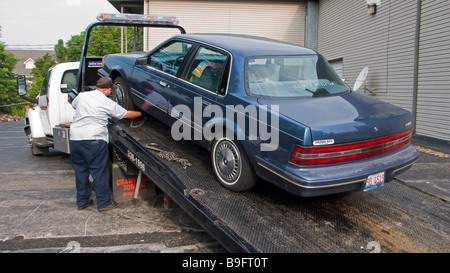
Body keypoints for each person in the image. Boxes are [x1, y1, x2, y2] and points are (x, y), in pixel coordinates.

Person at [70, 77, 142, 212]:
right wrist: (141, 113)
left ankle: (82, 201)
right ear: (106, 89)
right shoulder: (106, 102)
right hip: (94, 139)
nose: (111, 92)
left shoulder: (82, 96)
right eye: (110, 90)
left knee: (80, 171)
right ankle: (103, 203)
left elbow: (74, 105)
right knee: (99, 172)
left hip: (75, 139)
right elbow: (125, 115)